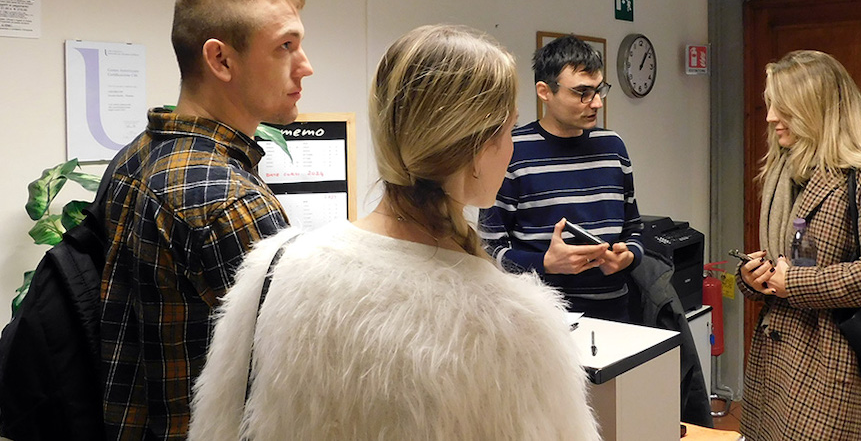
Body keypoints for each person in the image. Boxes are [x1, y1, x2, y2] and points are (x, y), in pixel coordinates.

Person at [188, 25, 601, 441]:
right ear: (476, 149)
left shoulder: (274, 271)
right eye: (509, 130)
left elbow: (215, 427)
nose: (512, 147)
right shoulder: (518, 325)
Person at [99, 0, 314, 440]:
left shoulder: (135, 156)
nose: (305, 65)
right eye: (286, 46)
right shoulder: (228, 202)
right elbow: (291, 382)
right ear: (220, 61)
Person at [737, 50, 861, 441]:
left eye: (782, 106)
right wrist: (755, 277)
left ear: (814, 108)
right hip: (778, 357)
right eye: (770, 104)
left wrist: (797, 285)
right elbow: (794, 256)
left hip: (833, 362)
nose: (770, 117)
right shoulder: (789, 170)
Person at [481, 34, 644, 322]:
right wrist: (545, 263)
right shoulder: (511, 150)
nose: (596, 104)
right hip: (541, 318)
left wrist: (628, 255)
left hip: (615, 313)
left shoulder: (613, 147)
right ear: (545, 91)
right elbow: (488, 249)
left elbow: (634, 229)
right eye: (582, 92)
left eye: (599, 90)